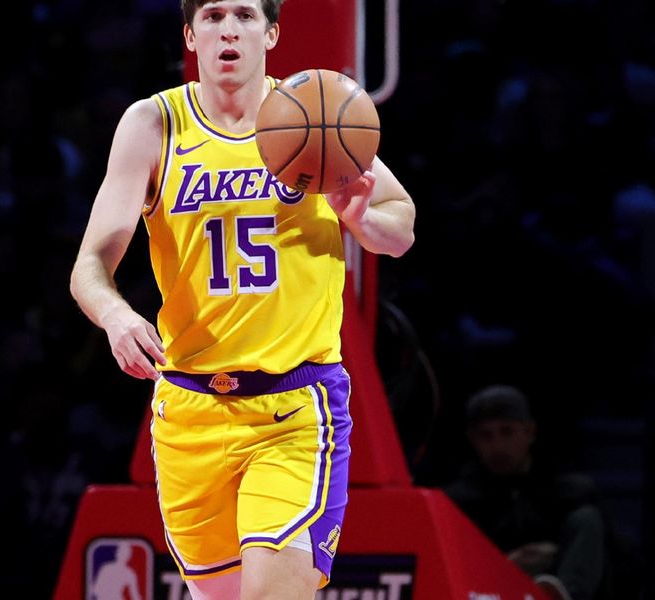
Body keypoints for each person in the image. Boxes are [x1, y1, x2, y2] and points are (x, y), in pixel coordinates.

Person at [69, 1, 416, 598]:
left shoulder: (313, 110)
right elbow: (90, 265)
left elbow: (401, 224)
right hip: (188, 411)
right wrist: (116, 314)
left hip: (293, 407)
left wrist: (361, 222)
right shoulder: (153, 124)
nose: (229, 28)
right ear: (191, 36)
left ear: (272, 33)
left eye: (245, 16)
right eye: (212, 16)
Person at [443, 384, 610, 600]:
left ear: (529, 432)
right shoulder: (458, 501)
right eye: (486, 436)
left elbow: (616, 564)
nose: (498, 445)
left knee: (588, 519)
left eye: (507, 431)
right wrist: (506, 564)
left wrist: (556, 555)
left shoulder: (572, 492)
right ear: (473, 440)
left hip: (554, 582)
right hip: (488, 591)